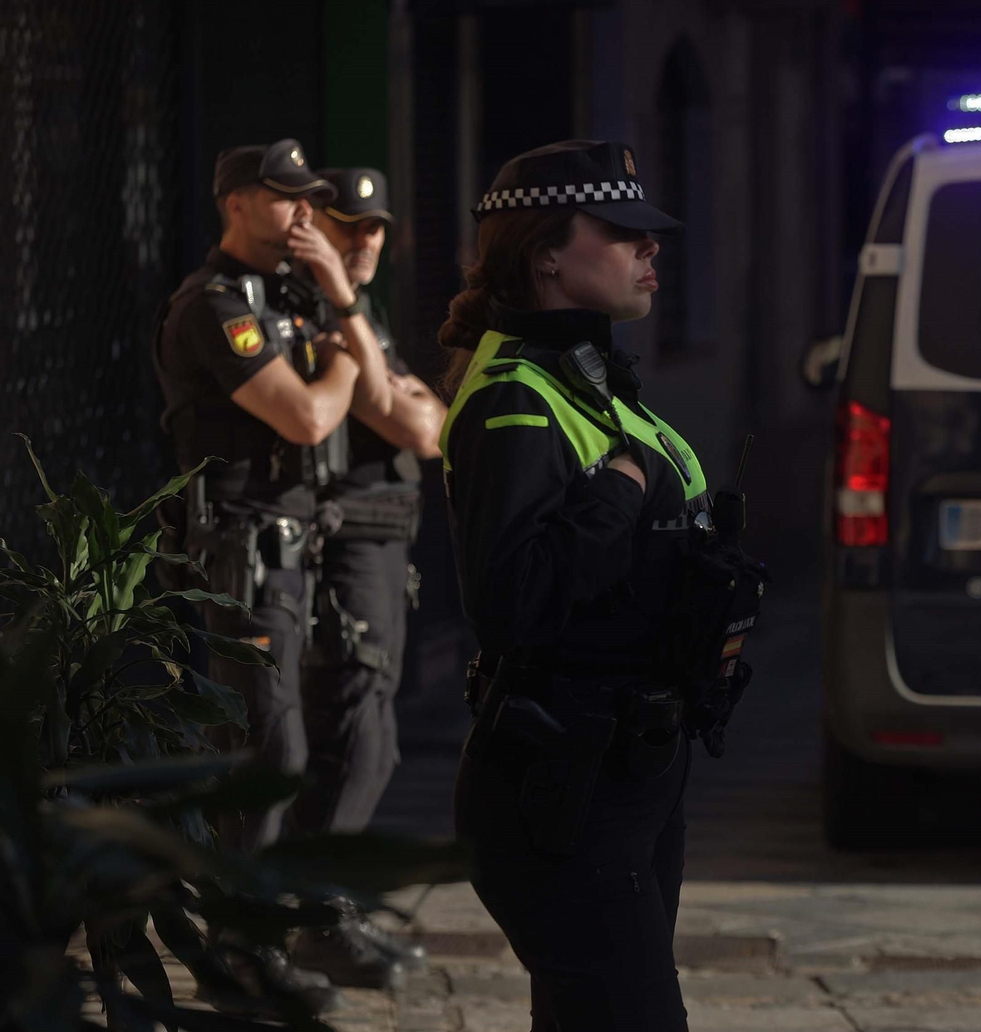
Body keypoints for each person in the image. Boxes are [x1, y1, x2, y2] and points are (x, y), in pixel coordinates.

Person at [440, 140, 763, 1030]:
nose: (650, 252)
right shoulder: (516, 396)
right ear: (547, 253)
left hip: (631, 765)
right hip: (564, 778)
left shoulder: (590, 383)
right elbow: (511, 604)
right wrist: (619, 491)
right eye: (623, 234)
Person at [151, 138, 395, 1010]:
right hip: (241, 553)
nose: (301, 213)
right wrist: (338, 360)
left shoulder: (284, 298)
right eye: (282, 197)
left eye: (306, 199)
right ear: (234, 204)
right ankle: (240, 950)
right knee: (266, 748)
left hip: (293, 553)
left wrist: (338, 326)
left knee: (313, 742)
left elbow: (400, 411)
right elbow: (307, 416)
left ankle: (285, 932)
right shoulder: (216, 305)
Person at [286, 168, 444, 986]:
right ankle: (315, 917)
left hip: (387, 538)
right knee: (351, 736)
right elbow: (405, 415)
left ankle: (331, 905)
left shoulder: (361, 310)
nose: (368, 241)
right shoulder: (321, 309)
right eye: (351, 226)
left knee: (374, 740)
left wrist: (407, 398)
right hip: (350, 539)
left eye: (377, 227)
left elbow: (429, 421)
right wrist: (400, 392)